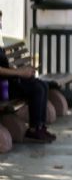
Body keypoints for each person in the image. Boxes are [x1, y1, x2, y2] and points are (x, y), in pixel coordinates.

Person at [0, 12, 55, 143]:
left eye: (1, 21)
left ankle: (40, 127)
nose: (0, 25)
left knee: (42, 85)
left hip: (8, 83)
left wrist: (24, 70)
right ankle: (34, 129)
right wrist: (19, 73)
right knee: (36, 88)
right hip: (3, 89)